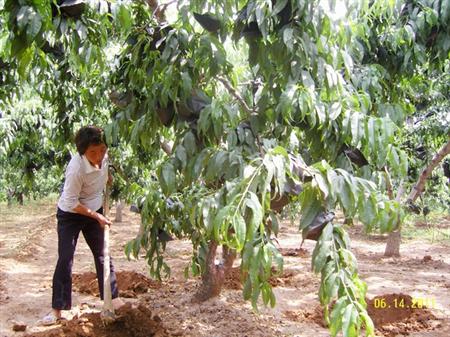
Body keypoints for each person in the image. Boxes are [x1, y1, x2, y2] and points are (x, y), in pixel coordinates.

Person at [41, 126, 123, 325]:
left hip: (94, 207)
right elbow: (70, 202)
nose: (99, 156)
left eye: (102, 150)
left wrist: (106, 177)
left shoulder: (104, 155)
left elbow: (102, 170)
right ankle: (57, 309)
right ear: (83, 152)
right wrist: (97, 217)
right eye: (93, 153)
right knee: (66, 258)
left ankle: (112, 300)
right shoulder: (76, 169)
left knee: (103, 254)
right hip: (71, 213)